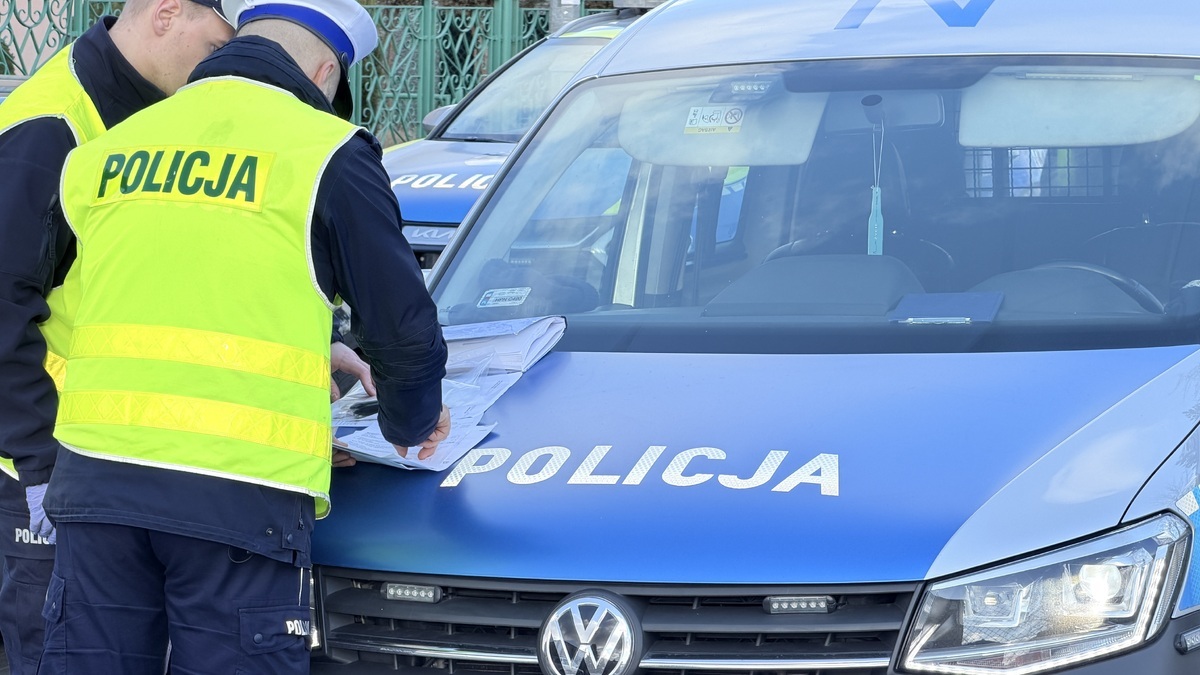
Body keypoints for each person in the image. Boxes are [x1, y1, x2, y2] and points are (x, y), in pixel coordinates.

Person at [38, 0, 450, 671]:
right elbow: (403, 330)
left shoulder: (111, 148)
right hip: (236, 499)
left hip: (95, 485)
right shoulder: (326, 152)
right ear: (325, 73)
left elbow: (124, 292)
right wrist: (412, 419)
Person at [0, 2, 235, 673]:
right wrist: (39, 466)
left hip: (114, 465)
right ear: (167, 13)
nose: (223, 64)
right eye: (216, 44)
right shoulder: (55, 126)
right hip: (48, 466)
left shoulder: (151, 109)